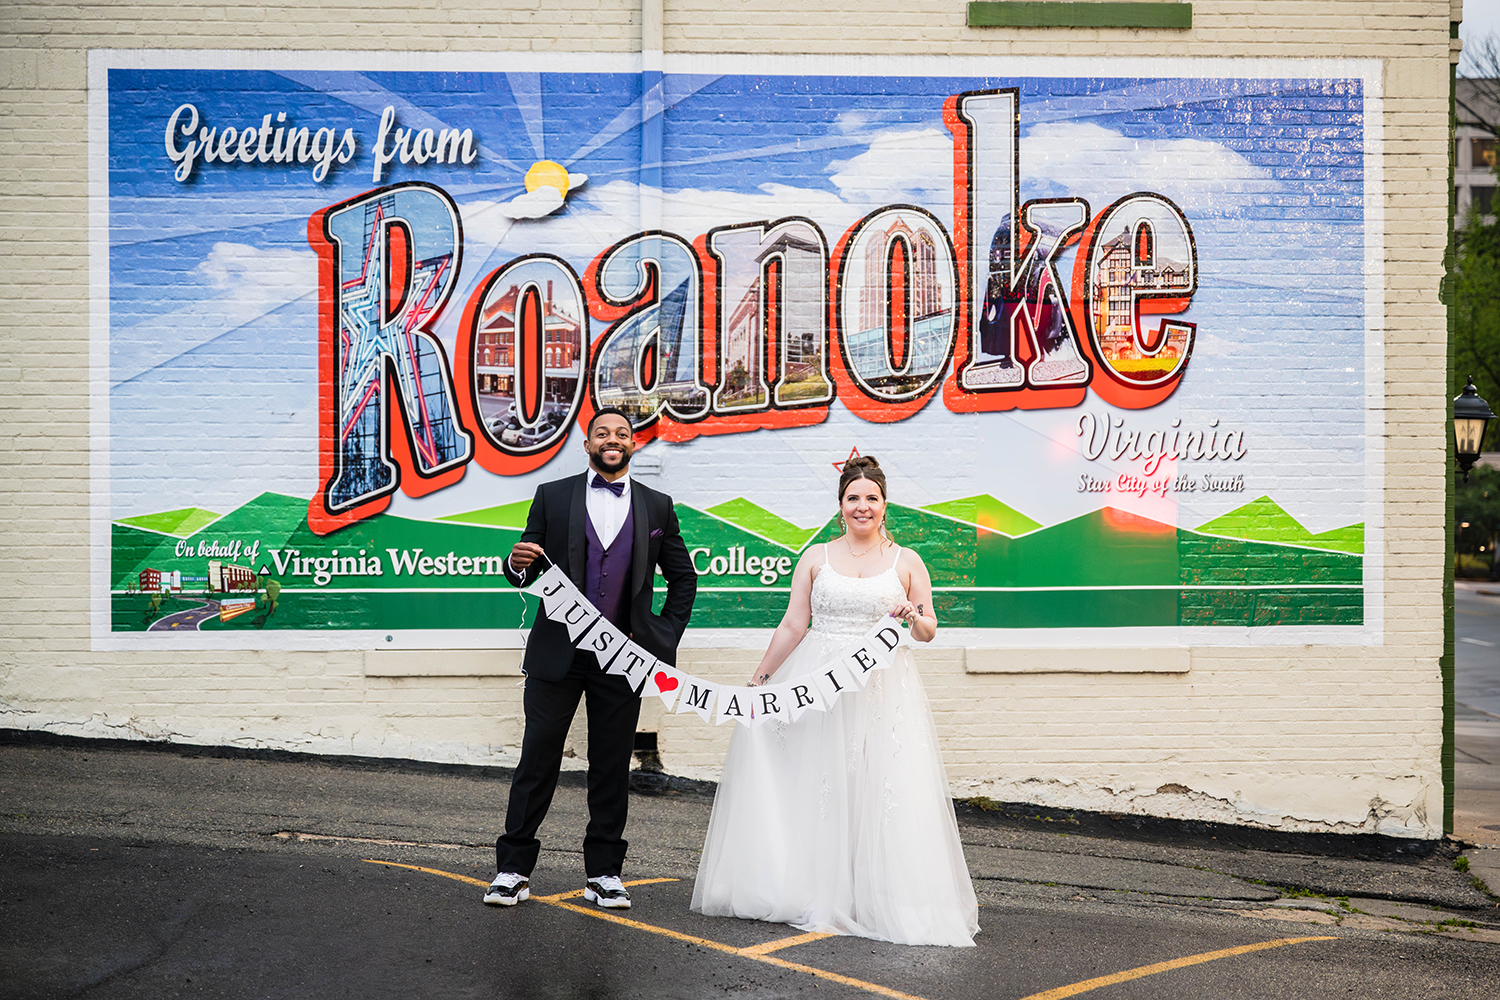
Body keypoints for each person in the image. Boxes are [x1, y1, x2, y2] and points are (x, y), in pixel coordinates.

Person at [690, 455, 979, 946]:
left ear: (885, 505)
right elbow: (793, 625)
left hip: (880, 690)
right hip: (817, 686)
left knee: (876, 786)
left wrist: (913, 615)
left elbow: (929, 630)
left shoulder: (907, 561)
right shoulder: (816, 557)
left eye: (871, 498)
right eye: (853, 498)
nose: (861, 506)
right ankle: (813, 888)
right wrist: (760, 679)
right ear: (840, 506)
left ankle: (874, 895)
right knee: (819, 784)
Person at [485, 407, 697, 910]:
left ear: (633, 445)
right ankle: (512, 869)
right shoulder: (552, 496)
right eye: (602, 432)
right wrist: (514, 564)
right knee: (537, 759)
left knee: (609, 765)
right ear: (587, 444)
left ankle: (604, 873)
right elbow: (525, 568)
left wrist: (660, 633)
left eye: (622, 433)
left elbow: (683, 578)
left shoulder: (658, 506)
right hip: (557, 653)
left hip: (621, 657)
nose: (612, 439)